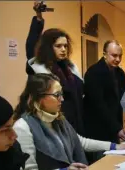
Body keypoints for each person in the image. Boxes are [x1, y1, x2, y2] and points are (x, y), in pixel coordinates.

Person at [12, 73, 125, 170]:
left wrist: (114, 146)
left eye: (61, 94)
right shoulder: (23, 127)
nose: (62, 99)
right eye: (57, 95)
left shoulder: (58, 118)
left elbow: (80, 142)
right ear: (38, 98)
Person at [25, 1, 85, 135]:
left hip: (77, 124)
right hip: (55, 126)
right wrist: (38, 18)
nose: (63, 49)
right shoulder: (41, 69)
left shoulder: (70, 68)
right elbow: (31, 45)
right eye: (58, 46)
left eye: (65, 46)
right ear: (49, 47)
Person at [83, 40, 125, 144]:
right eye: (114, 55)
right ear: (104, 54)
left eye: (120, 56)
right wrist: (116, 128)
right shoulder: (93, 73)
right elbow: (98, 105)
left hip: (114, 127)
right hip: (97, 129)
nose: (118, 59)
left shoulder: (119, 73)